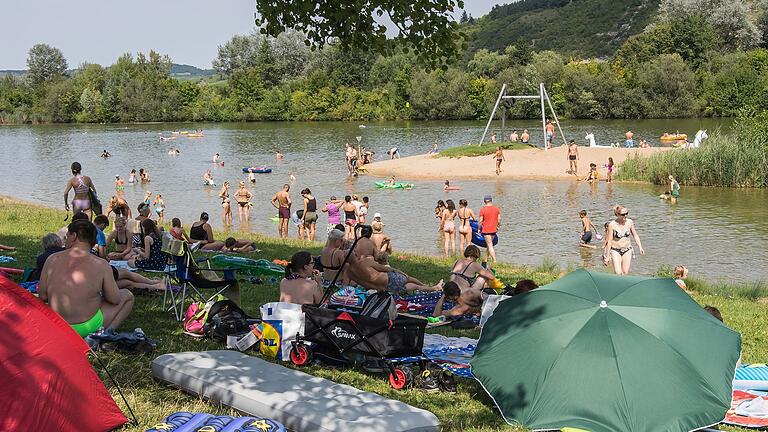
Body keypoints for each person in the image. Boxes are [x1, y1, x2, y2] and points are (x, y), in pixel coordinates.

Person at [38, 220, 134, 337]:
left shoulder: (52, 259)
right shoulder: (101, 264)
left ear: (74, 236)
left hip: (57, 325)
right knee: (127, 295)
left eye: (67, 236)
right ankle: (106, 333)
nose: (65, 239)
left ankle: (101, 333)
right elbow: (115, 299)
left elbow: (42, 296)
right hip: (87, 327)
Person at [346, 250, 443, 295]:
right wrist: (398, 271)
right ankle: (432, 287)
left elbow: (346, 286)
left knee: (414, 286)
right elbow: (384, 268)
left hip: (385, 289)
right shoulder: (365, 262)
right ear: (355, 255)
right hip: (390, 279)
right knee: (408, 278)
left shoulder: (349, 272)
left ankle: (432, 288)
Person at [603, 205, 645, 276]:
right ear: (617, 214)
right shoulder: (612, 225)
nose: (625, 216)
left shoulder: (630, 222)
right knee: (618, 272)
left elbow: (635, 235)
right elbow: (609, 241)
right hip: (615, 250)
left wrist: (640, 247)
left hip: (627, 249)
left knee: (625, 272)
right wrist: (607, 256)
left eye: (627, 213)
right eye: (623, 214)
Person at [478, 195, 500, 265]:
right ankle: (485, 259)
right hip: (494, 229)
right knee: (489, 245)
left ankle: (494, 261)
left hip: (486, 229)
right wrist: (498, 226)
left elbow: (481, 221)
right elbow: (499, 219)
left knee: (490, 245)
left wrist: (478, 228)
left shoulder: (483, 209)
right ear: (491, 200)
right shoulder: (496, 209)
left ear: (484, 201)